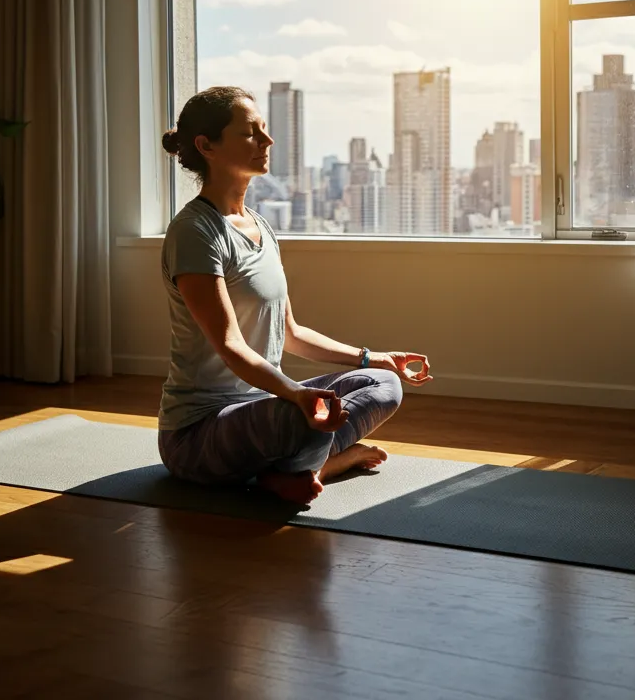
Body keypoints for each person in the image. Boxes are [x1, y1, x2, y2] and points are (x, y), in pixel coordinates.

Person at [157, 86, 433, 505]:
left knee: (383, 385)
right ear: (206, 145)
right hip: (198, 434)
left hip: (263, 410)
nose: (267, 141)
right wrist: (295, 394)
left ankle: (303, 469)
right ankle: (314, 464)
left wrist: (375, 357)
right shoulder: (195, 232)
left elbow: (291, 333)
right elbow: (230, 346)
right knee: (299, 415)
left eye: (265, 130)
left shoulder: (261, 227)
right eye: (251, 133)